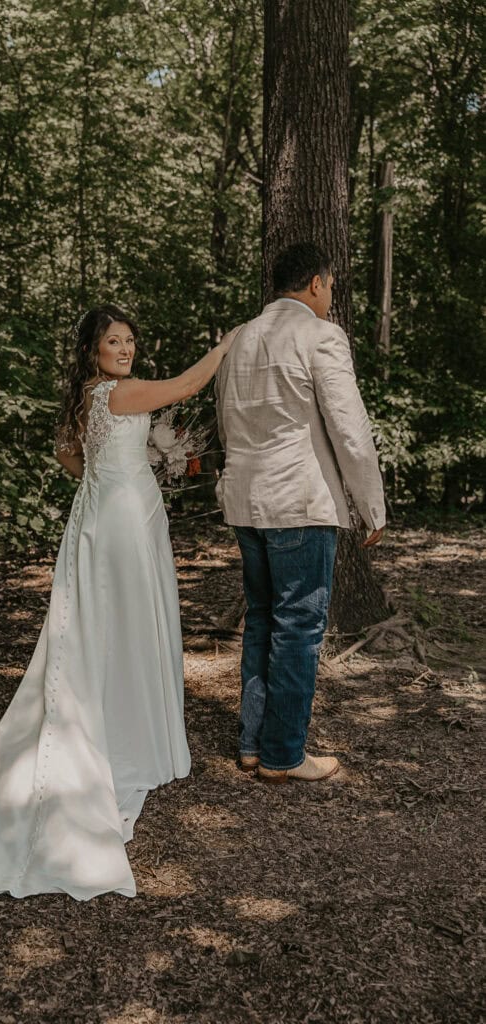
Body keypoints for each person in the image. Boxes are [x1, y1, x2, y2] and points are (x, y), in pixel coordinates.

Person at [0, 304, 238, 900]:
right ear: (93, 348)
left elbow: (66, 455)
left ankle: (121, 719)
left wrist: (111, 472)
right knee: (126, 622)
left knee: (104, 624)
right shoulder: (121, 394)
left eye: (129, 341)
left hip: (106, 512)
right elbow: (186, 385)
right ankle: (127, 737)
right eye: (113, 341)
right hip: (123, 519)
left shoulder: (87, 396)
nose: (125, 350)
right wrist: (225, 345)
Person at [215, 242, 386, 785]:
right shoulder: (320, 336)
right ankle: (283, 754)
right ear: (316, 282)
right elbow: (351, 431)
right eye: (331, 286)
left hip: (246, 500)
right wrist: (371, 506)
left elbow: (227, 421)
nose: (330, 296)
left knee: (263, 618)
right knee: (300, 628)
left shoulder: (238, 338)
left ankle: (252, 743)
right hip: (301, 502)